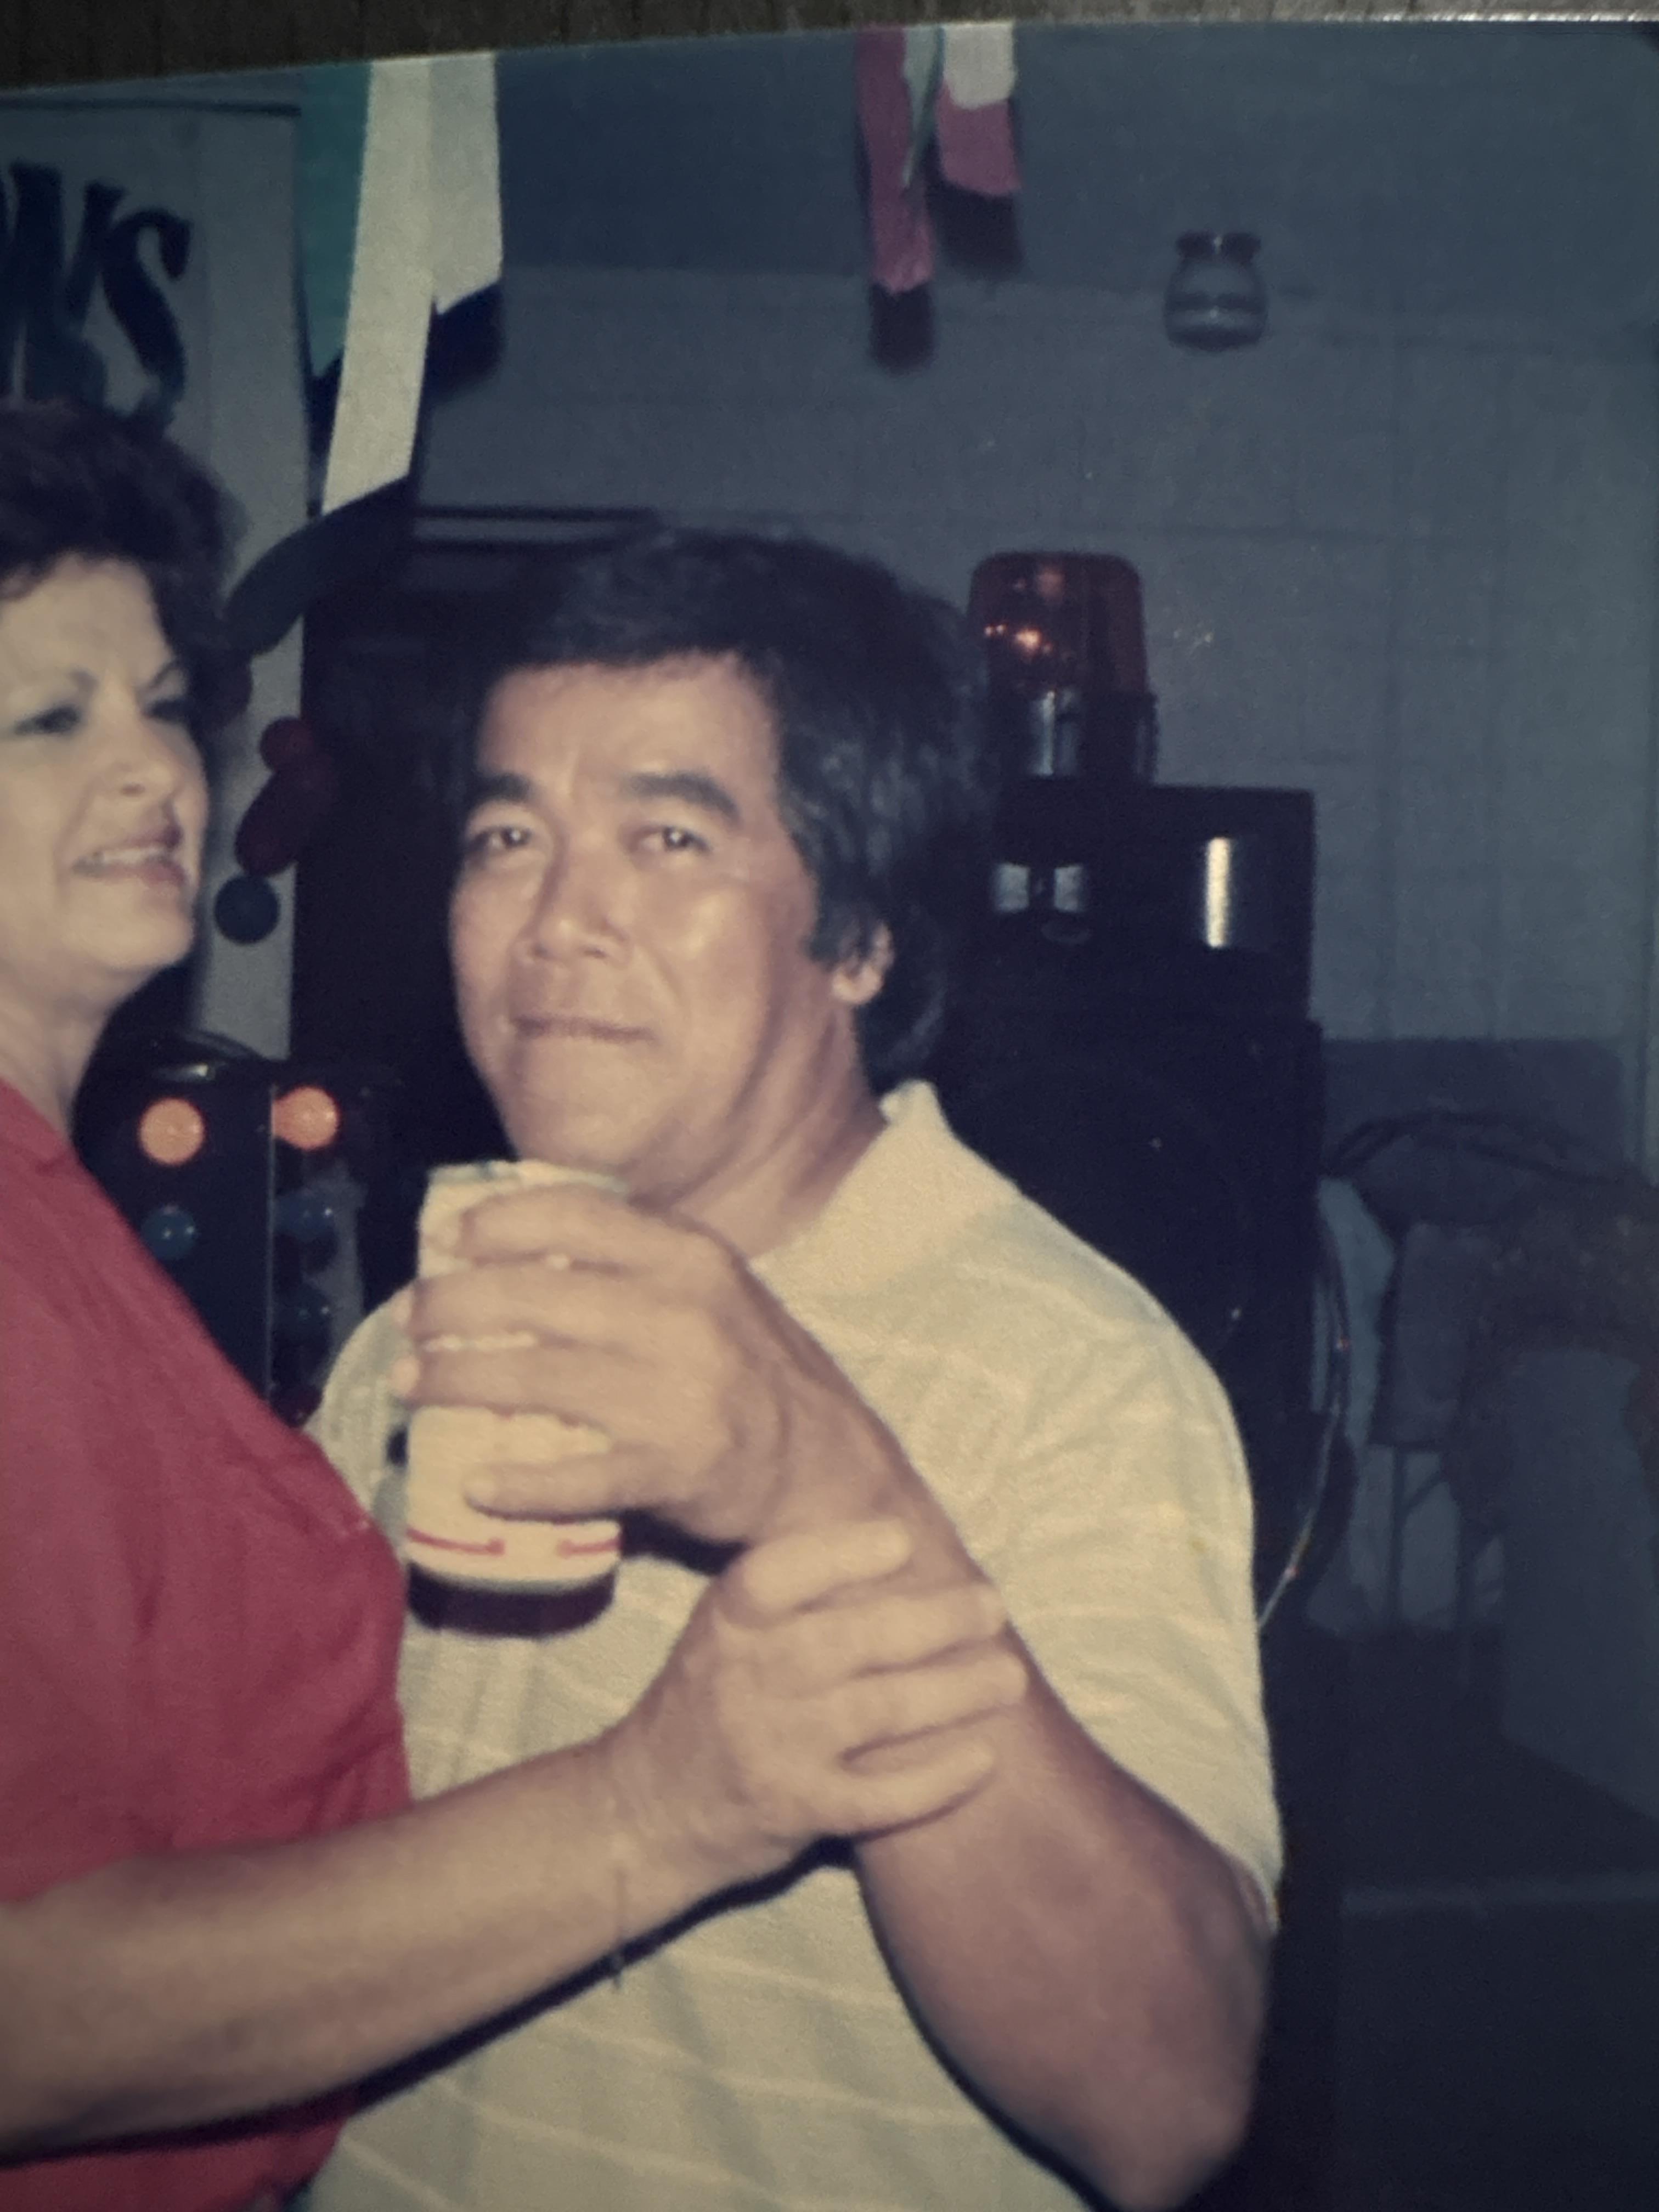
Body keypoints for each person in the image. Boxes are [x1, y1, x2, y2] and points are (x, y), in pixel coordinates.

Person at [0, 404, 1028, 2212]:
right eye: (46, 719)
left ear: (863, 941)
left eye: (164, 704)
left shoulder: (83, 1226)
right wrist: (666, 1805)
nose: (156, 777)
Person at [309, 531, 1282, 2212]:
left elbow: (1168, 2101)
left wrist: (823, 1483)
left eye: (668, 836)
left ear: (861, 940)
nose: (556, 921)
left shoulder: (1071, 1374)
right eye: (506, 834)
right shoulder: (412, 1339)